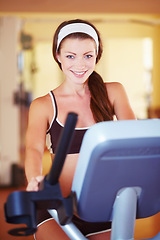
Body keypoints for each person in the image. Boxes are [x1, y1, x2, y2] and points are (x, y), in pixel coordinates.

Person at [25, 19, 136, 240]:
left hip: (103, 206)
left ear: (97, 56)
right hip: (56, 207)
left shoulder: (113, 92)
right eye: (70, 56)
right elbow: (33, 149)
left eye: (88, 55)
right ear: (58, 56)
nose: (80, 64)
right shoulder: (43, 105)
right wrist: (34, 178)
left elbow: (133, 139)